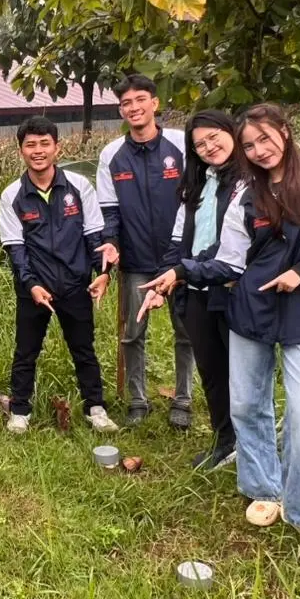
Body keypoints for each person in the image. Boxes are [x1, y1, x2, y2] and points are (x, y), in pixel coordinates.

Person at [139, 103, 300, 549]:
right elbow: (228, 259)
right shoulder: (246, 195)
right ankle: (264, 488)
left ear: (285, 130)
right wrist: (179, 274)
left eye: (265, 138)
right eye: (250, 145)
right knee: (247, 405)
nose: (260, 150)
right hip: (251, 310)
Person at [0, 116, 121, 434]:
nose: (38, 151)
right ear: (21, 150)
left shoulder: (80, 187)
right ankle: (20, 411)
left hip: (76, 285)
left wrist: (103, 274)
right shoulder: (12, 195)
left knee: (84, 350)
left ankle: (96, 408)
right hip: (34, 291)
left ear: (57, 147)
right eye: (30, 145)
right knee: (26, 352)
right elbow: (16, 251)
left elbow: (95, 238)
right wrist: (32, 285)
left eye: (44, 144)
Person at [143, 110, 246, 471]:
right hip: (195, 291)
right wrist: (164, 280)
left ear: (231, 132)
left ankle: (253, 447)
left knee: (243, 374)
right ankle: (224, 439)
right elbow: (176, 241)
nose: (208, 147)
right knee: (212, 371)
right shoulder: (196, 185)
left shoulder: (248, 183)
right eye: (199, 144)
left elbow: (232, 248)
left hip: (233, 291)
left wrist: (179, 272)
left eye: (214, 137)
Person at [96, 74, 195, 429]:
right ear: (121, 110)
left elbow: (195, 202)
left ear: (154, 103)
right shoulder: (112, 155)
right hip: (136, 262)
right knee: (132, 333)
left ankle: (183, 399)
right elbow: (110, 211)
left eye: (140, 100)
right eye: (126, 103)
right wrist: (111, 246)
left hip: (181, 261)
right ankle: (138, 399)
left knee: (186, 332)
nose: (134, 108)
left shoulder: (181, 146)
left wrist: (184, 256)